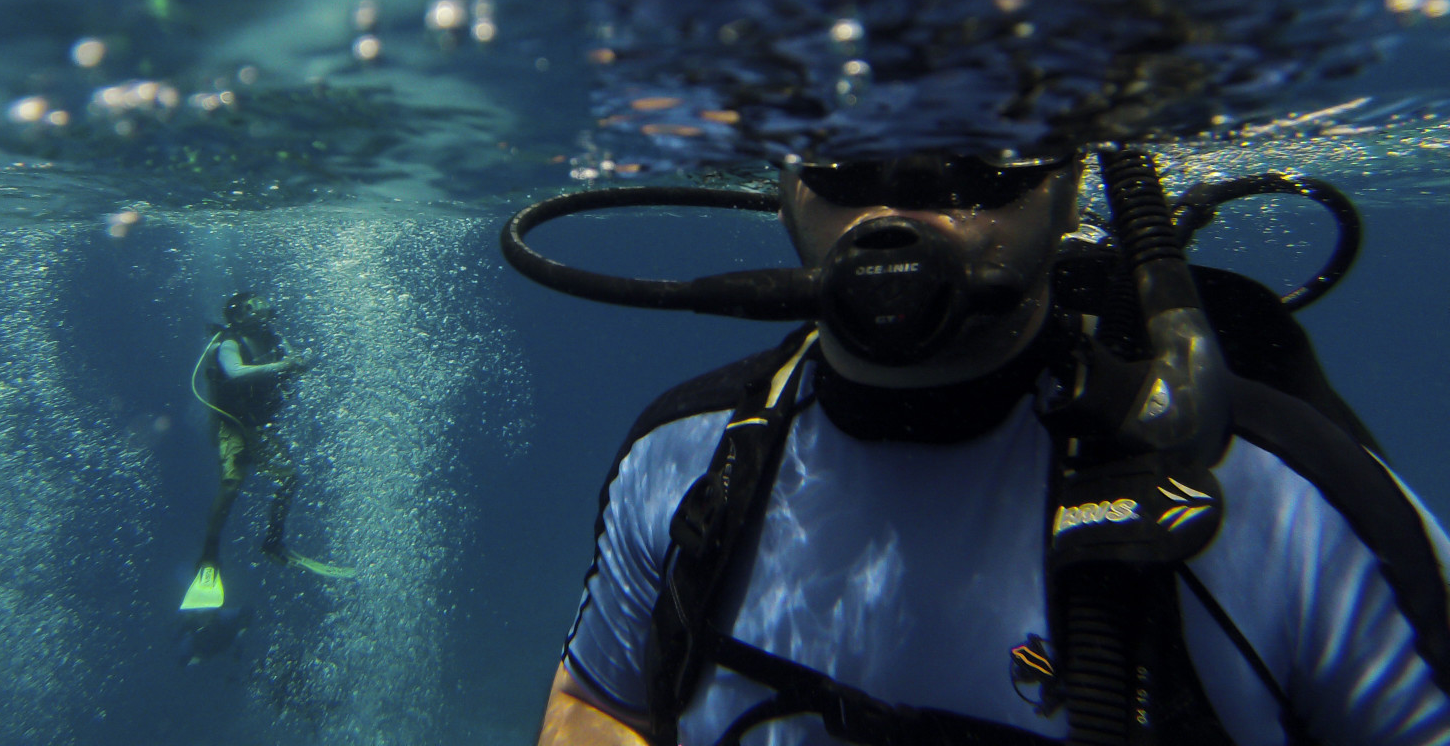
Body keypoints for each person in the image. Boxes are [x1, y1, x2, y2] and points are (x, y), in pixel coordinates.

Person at [536, 152, 1450, 746]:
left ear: (1073, 176)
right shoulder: (686, 453)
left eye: (972, 157)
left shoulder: (1286, 497)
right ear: (785, 177)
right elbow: (600, 704)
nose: (900, 204)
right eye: (850, 156)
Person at [180, 291, 341, 612]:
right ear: (239, 315)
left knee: (289, 478)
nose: (263, 306)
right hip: (233, 425)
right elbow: (235, 373)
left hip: (260, 425)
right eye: (254, 304)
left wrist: (298, 363)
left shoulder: (273, 337)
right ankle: (209, 557)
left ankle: (273, 541)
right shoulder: (230, 342)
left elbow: (295, 364)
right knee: (231, 482)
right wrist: (284, 365)